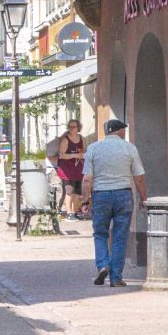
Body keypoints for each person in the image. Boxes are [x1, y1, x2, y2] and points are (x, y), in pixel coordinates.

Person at [83, 118, 147, 287]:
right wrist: (143, 197)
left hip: (100, 196)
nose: (124, 133)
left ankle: (103, 264)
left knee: (100, 234)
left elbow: (87, 179)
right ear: (119, 131)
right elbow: (138, 177)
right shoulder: (129, 148)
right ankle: (116, 278)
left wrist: (84, 201)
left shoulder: (93, 148)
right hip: (123, 195)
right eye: (123, 130)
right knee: (120, 237)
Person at [47, 119, 88, 220]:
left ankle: (74, 211)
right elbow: (61, 155)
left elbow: (85, 151)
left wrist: (83, 155)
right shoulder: (65, 140)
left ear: (78, 127)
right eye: (70, 127)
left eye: (73, 126)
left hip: (79, 168)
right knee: (69, 191)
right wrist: (75, 155)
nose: (71, 128)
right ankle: (69, 213)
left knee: (78, 193)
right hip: (67, 169)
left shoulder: (82, 138)